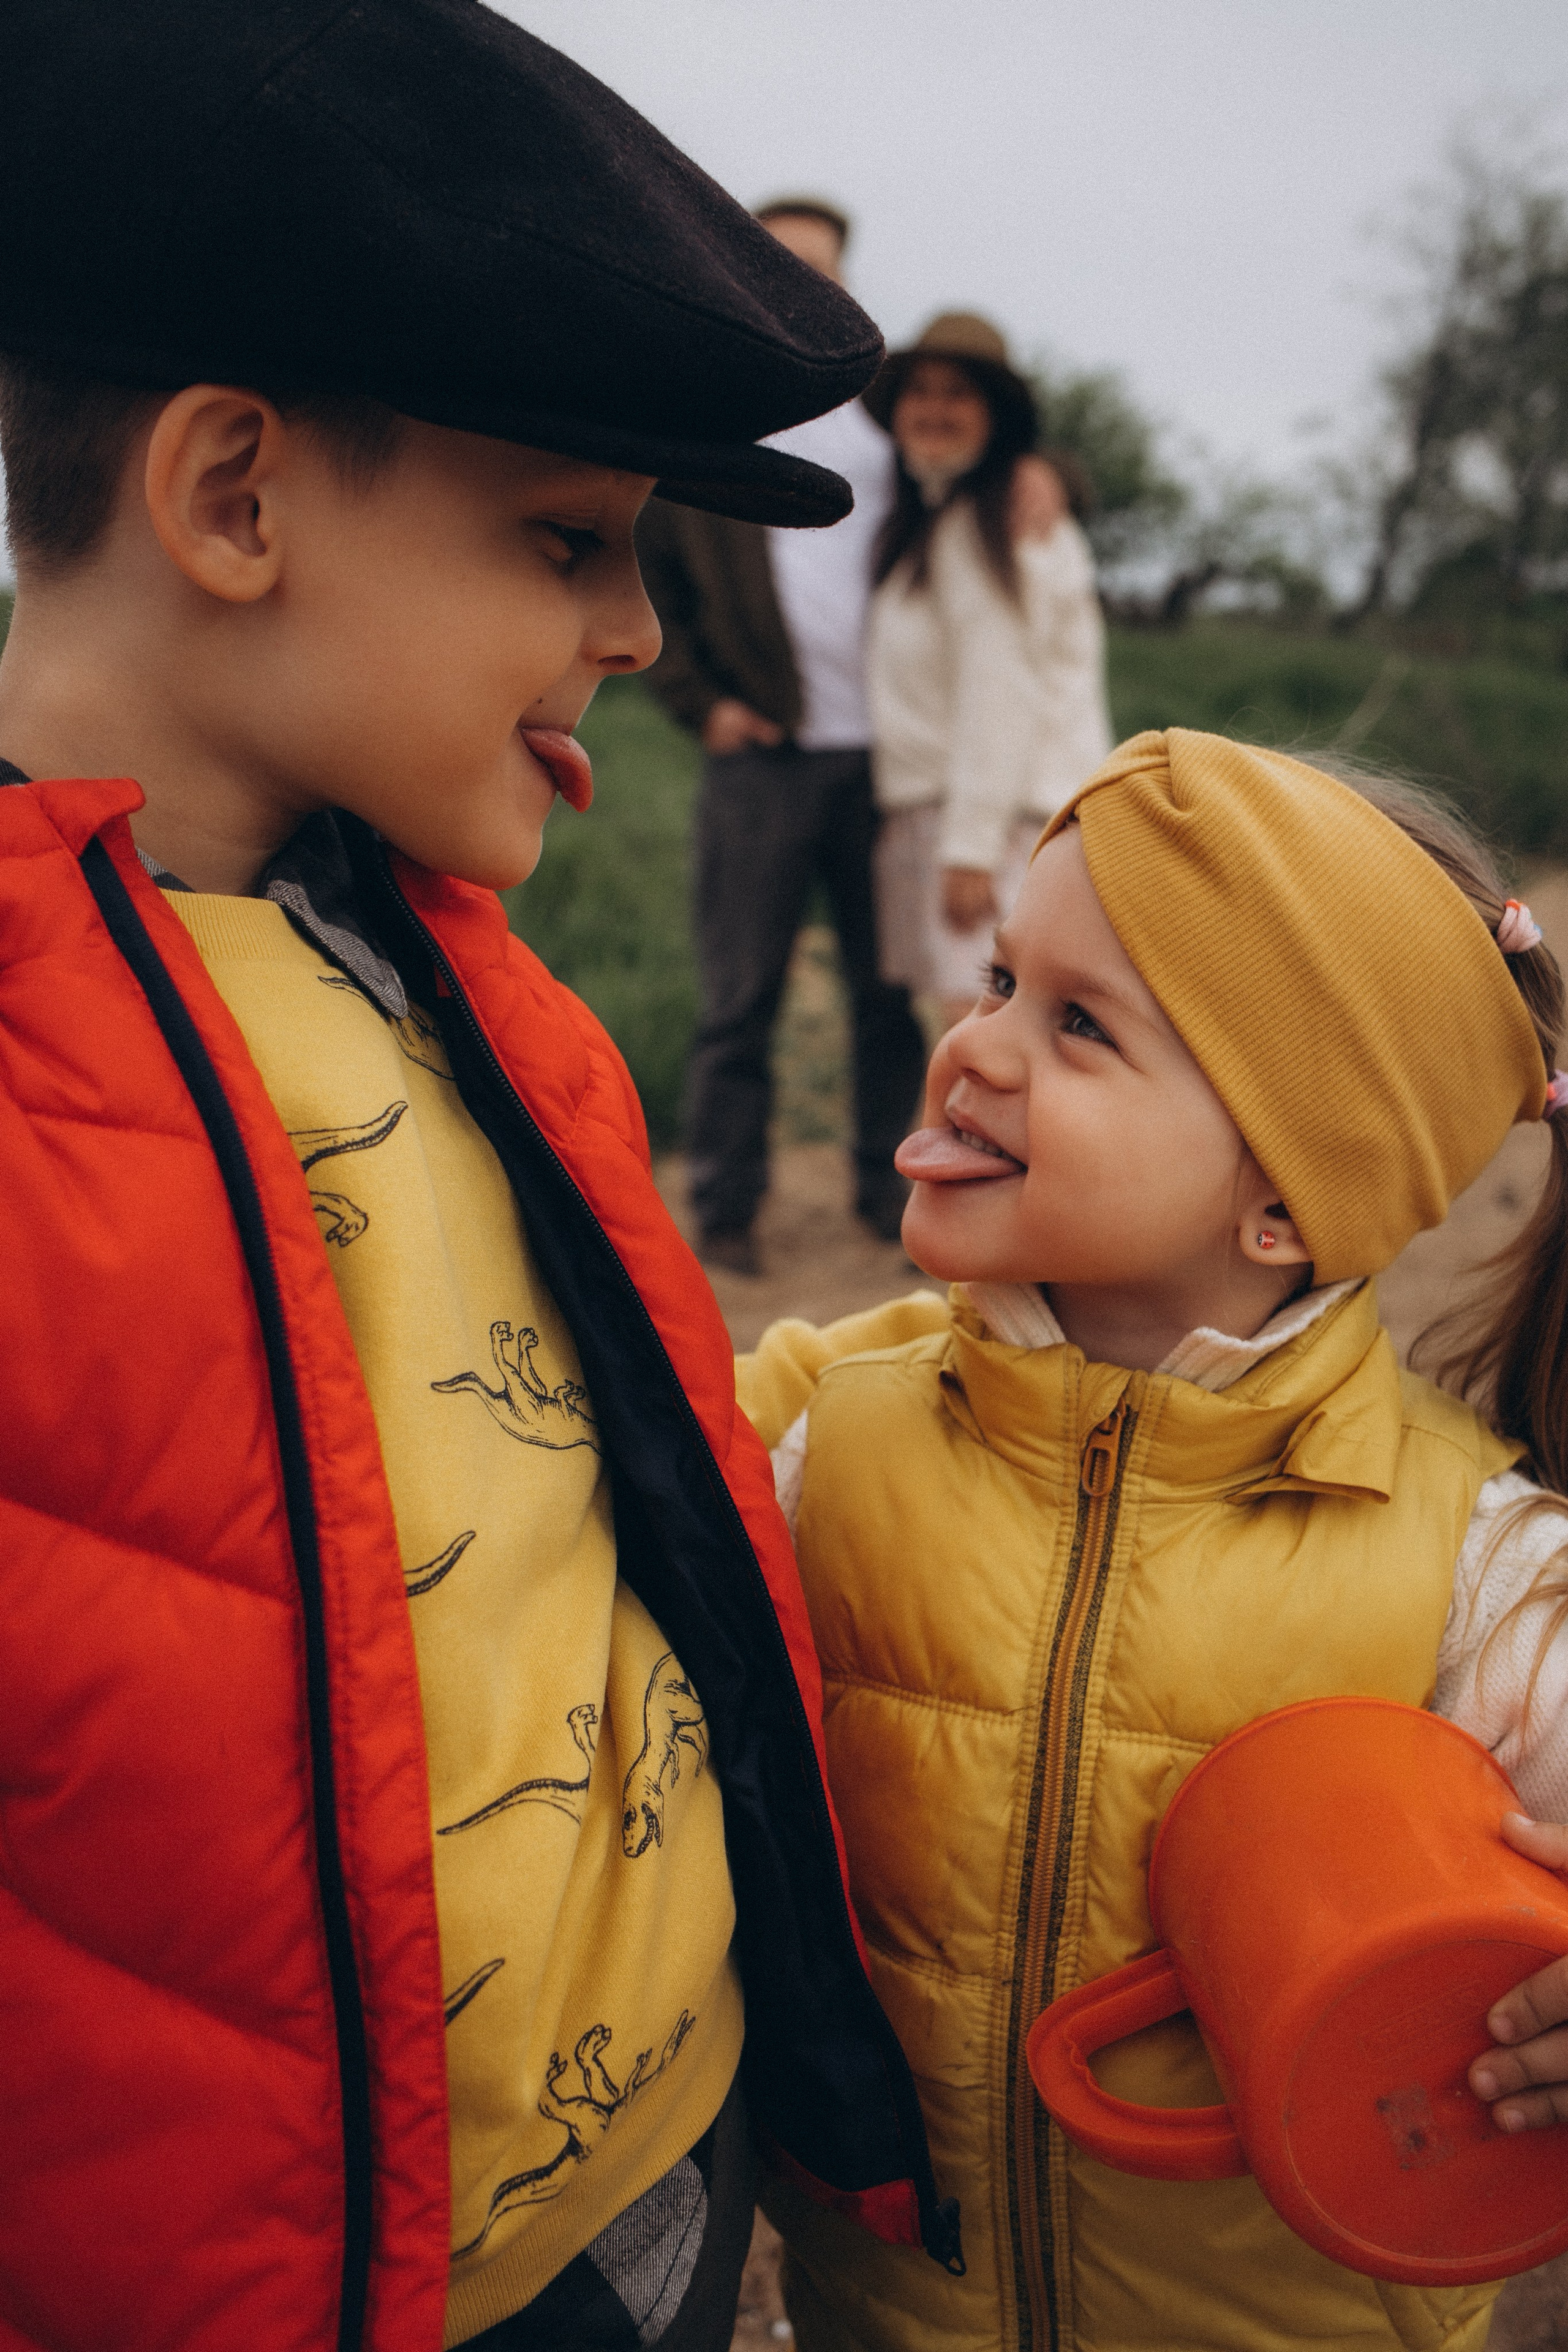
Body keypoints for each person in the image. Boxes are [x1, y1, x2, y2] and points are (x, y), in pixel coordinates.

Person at [0, 9, 959, 2349]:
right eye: (566, 541)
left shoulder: (475, 992)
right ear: (232, 497)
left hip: (666, 2180)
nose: (635, 630)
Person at [736, 729, 1568, 2351]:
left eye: (1081, 1026)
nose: (971, 1047)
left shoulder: (1476, 1565)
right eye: (995, 980)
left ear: (1283, 1201)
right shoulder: (828, 1432)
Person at [636, 198, 929, 1274]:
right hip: (760, 762)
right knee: (741, 996)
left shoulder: (896, 421)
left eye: (822, 271)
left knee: (891, 994)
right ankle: (724, 1211)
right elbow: (647, 581)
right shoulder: (705, 424)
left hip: (888, 767)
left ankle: (887, 1197)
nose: (801, 285)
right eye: (778, 265)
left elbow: (1010, 466)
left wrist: (1043, 481)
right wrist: (701, 705)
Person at [864, 314, 1114, 1031]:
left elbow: (998, 692)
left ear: (995, 416)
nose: (933, 410)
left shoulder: (993, 521)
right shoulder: (940, 518)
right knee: (977, 1040)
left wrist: (970, 849)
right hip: (954, 815)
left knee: (978, 1040)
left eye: (958, 394)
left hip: (990, 823)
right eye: (919, 391)